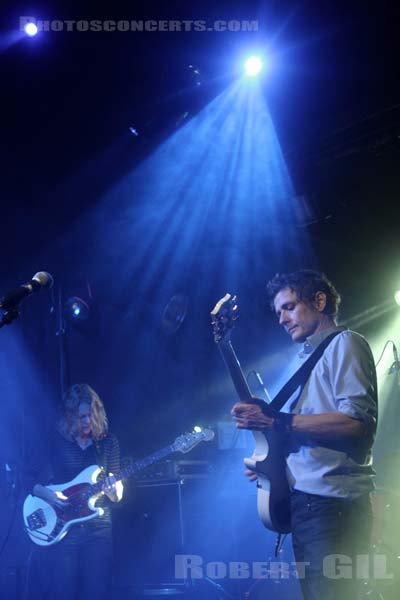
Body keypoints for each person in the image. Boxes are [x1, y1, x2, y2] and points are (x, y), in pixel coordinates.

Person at [231, 270, 377, 600]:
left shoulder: (346, 343)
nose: (282, 319)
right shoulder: (309, 359)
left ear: (319, 301)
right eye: (278, 311)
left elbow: (356, 424)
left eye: (289, 307)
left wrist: (279, 422)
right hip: (310, 507)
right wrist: (272, 466)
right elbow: (307, 434)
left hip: (333, 505)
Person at [24, 383, 123, 600]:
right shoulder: (54, 442)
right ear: (69, 417)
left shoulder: (107, 443)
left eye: (90, 415)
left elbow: (117, 494)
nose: (87, 421)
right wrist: (49, 495)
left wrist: (113, 491)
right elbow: (26, 478)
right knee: (63, 592)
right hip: (64, 529)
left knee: (97, 592)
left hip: (98, 529)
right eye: (81, 417)